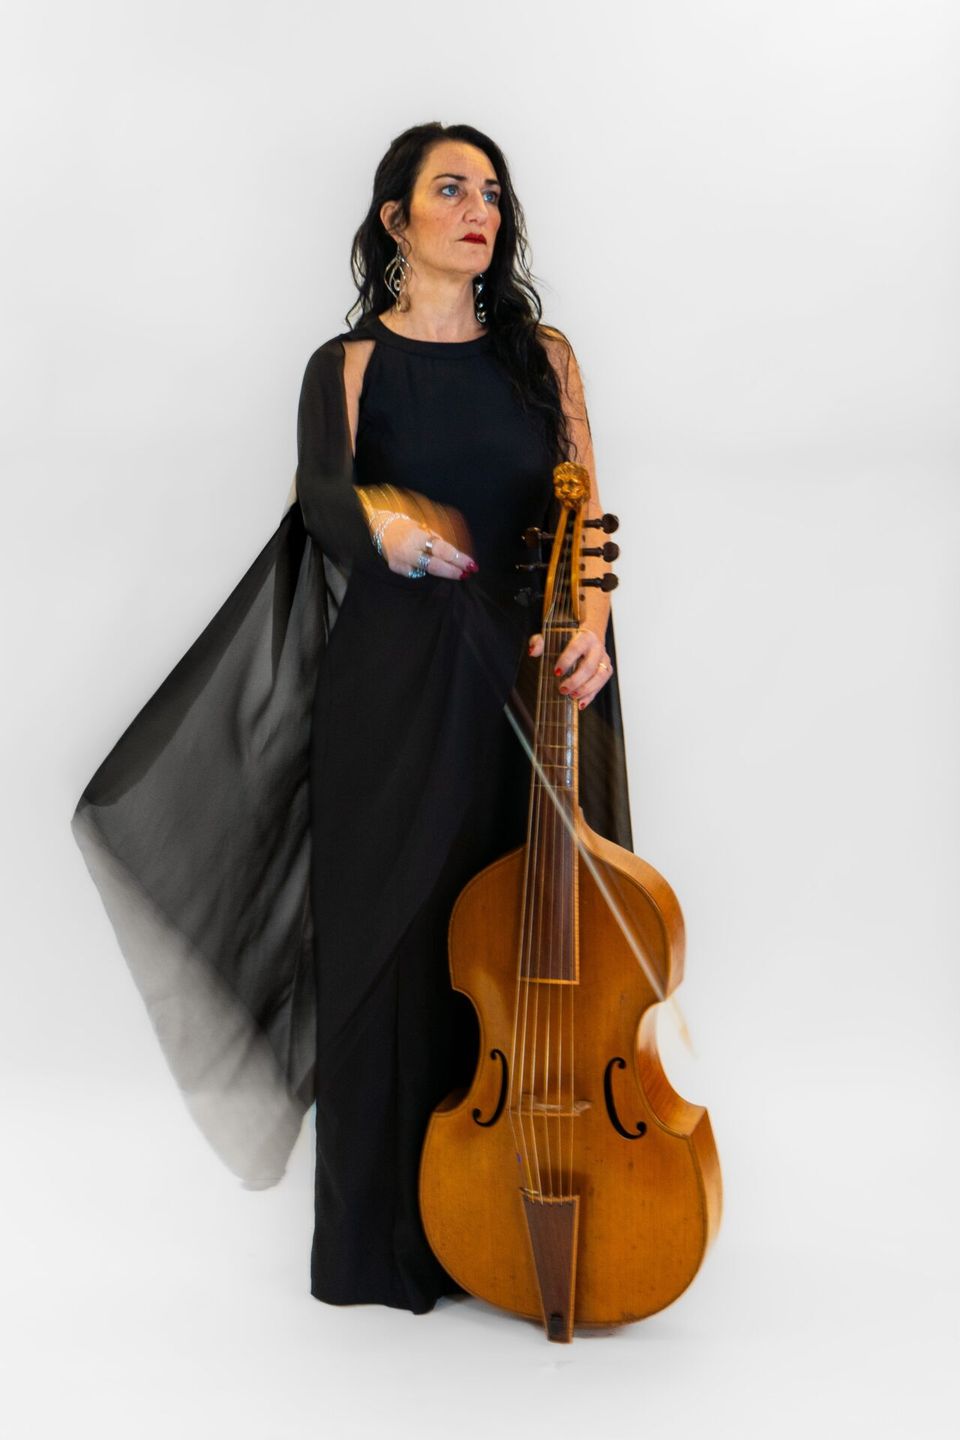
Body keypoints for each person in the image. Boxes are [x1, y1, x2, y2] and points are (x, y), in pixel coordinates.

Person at [70, 121, 634, 1318]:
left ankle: (516, 1213)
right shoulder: (348, 365)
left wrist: (590, 620)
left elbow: (586, 515)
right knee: (391, 939)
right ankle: (391, 1245)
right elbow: (323, 499)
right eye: (451, 189)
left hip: (526, 684)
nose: (479, 210)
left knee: (525, 950)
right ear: (395, 220)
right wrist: (386, 523)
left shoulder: (547, 359)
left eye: (493, 192)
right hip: (391, 689)